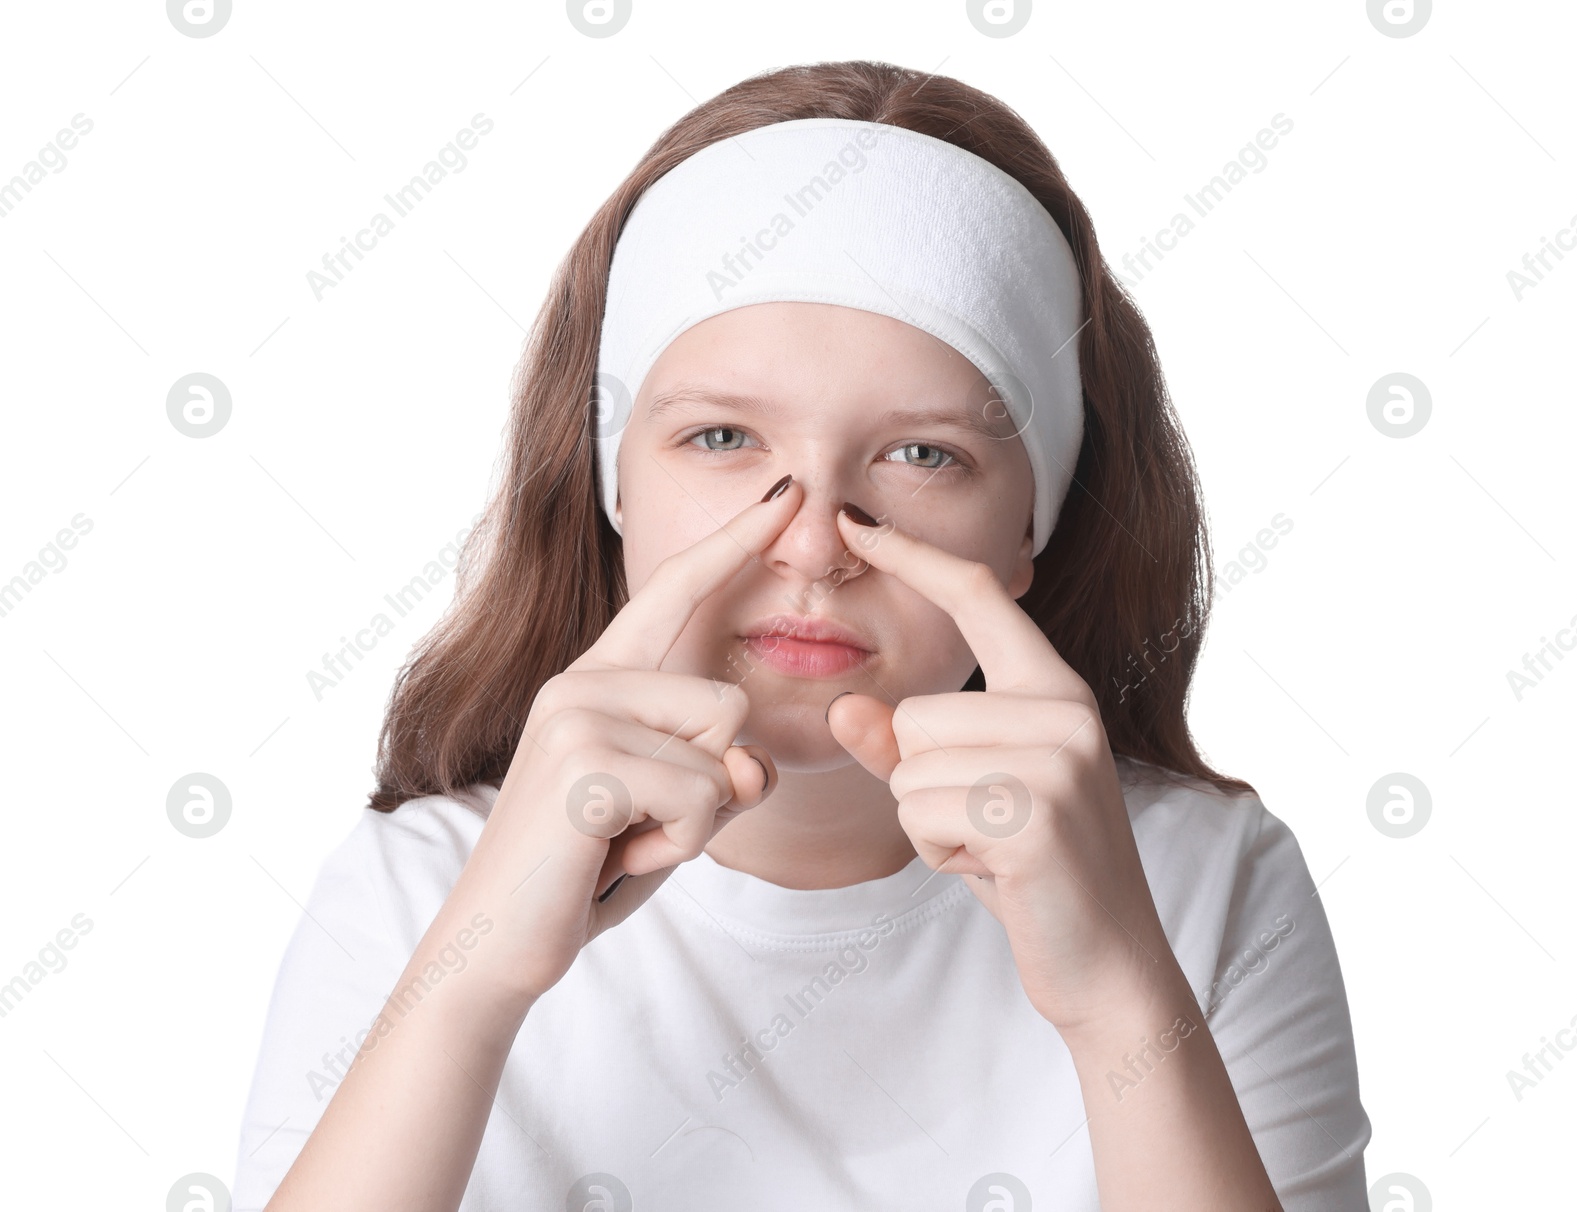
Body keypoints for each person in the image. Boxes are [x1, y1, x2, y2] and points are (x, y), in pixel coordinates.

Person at [233, 60, 1370, 1211]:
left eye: (924, 455)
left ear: (1032, 525)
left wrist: (1120, 1000)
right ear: (613, 489)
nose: (816, 545)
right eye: (724, 438)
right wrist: (471, 986)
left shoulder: (1210, 886)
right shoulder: (413, 891)